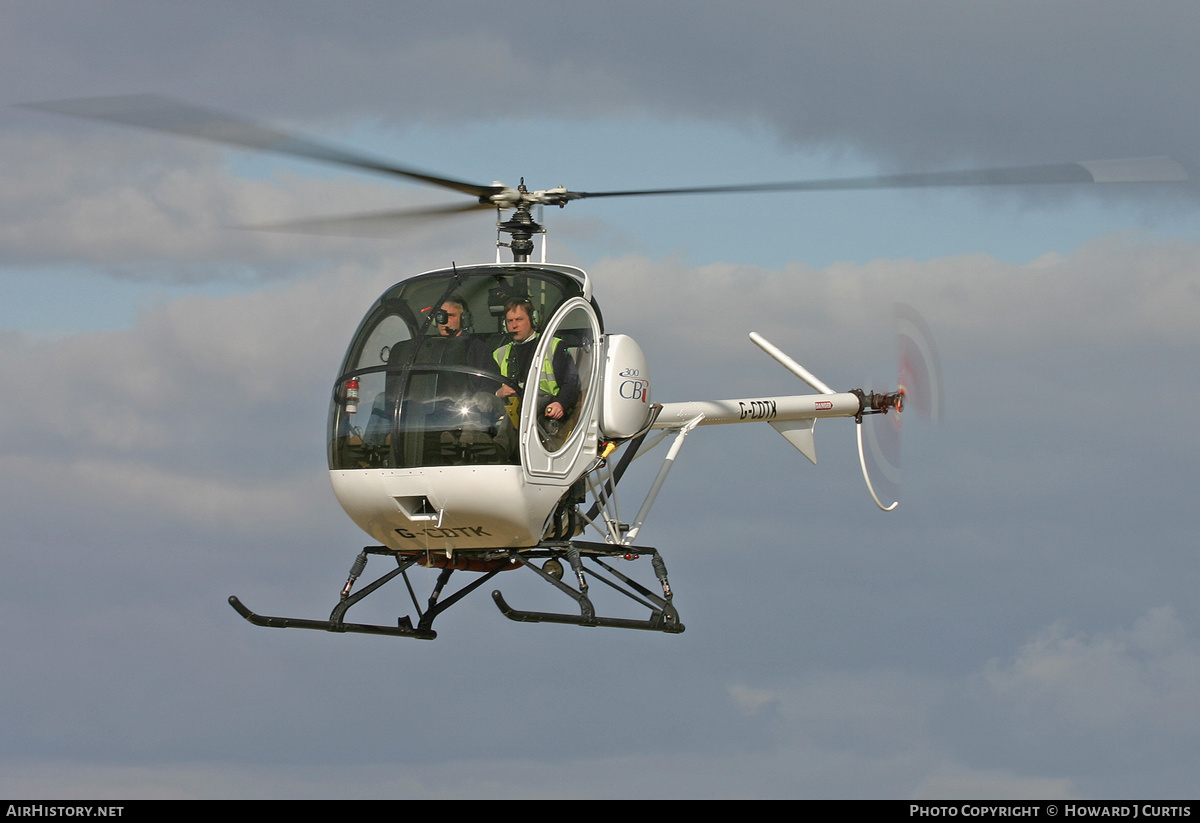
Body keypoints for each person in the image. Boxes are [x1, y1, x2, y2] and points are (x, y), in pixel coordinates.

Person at [493, 298, 579, 423]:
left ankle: (500, 443)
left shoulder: (553, 347)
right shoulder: (499, 354)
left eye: (519, 319)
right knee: (482, 400)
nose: (514, 325)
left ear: (533, 320)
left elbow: (571, 383)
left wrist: (560, 404)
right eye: (510, 321)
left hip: (544, 410)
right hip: (510, 407)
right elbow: (487, 387)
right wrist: (498, 393)